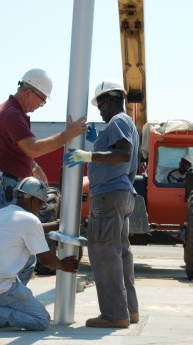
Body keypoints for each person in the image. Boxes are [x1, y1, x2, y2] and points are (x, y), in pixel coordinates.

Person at [64, 79, 140, 328]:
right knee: (120, 253)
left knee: (104, 252)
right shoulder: (126, 124)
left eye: (100, 105)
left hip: (108, 196)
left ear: (110, 101)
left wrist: (88, 155)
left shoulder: (118, 121)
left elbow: (122, 153)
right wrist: (97, 141)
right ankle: (129, 310)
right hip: (120, 195)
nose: (99, 110)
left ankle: (114, 314)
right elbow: (119, 151)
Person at [0, 177, 79, 332]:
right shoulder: (29, 220)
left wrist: (55, 226)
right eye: (41, 203)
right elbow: (46, 259)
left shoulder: (3, 212)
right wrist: (63, 265)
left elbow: (28, 229)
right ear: (34, 201)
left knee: (30, 260)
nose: (41, 207)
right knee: (41, 320)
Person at [0, 68, 87, 217]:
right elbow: (33, 148)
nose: (41, 105)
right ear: (28, 93)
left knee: (9, 234)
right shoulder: (12, 114)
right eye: (42, 100)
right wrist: (68, 134)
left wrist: (33, 166)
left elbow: (15, 148)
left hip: (3, 182)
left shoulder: (10, 111)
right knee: (8, 235)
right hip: (3, 184)